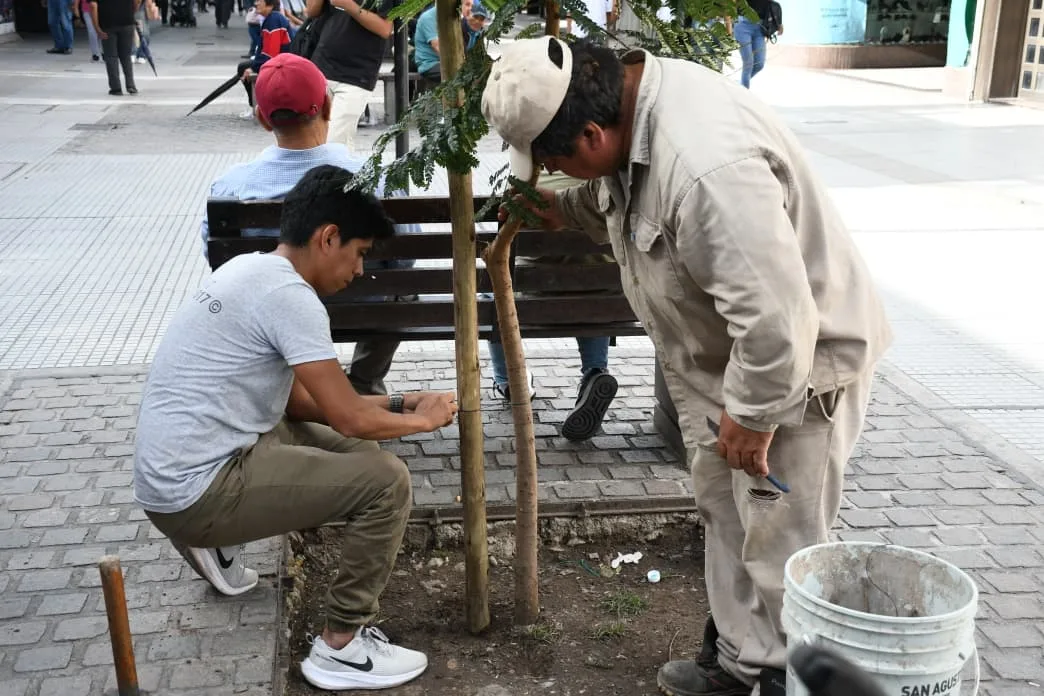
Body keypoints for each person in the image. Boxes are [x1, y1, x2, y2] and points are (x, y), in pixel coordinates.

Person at [481, 37, 891, 696]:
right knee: (727, 515)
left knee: (781, 543)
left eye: (554, 161)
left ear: (590, 134)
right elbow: (618, 194)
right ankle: (741, 661)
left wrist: (753, 418)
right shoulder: (628, 105)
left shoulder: (706, 169)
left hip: (793, 378)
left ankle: (795, 679)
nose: (552, 170)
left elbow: (777, 322)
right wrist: (561, 209)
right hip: (726, 371)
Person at [136, 161, 452, 691]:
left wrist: (400, 402)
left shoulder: (249, 269)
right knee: (388, 483)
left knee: (363, 458)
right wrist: (424, 421)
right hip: (196, 491)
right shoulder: (292, 299)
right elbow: (349, 416)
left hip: (184, 468)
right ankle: (341, 648)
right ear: (328, 238)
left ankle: (219, 543)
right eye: (359, 253)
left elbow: (304, 405)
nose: (360, 270)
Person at [201, 53, 407, 397]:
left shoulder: (230, 187)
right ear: (327, 106)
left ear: (263, 118)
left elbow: (220, 265)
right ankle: (363, 381)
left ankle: (291, 392)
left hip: (273, 312)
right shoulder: (377, 177)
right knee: (405, 290)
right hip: (364, 303)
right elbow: (405, 259)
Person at [305, 0, 395, 151]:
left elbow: (385, 28)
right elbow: (312, 11)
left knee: (335, 143)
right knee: (313, 140)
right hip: (322, 65)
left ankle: (338, 166)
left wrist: (348, 5)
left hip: (356, 74)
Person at [235, 0, 292, 118]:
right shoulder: (272, 18)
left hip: (281, 63)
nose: (256, 4)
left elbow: (270, 54)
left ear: (269, 5)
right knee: (244, 66)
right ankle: (256, 106)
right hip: (281, 60)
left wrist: (253, 67)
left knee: (243, 68)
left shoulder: (273, 20)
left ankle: (257, 107)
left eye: (259, 1)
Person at [91, 0, 138, 96]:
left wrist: (97, 28)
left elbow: (93, 5)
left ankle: (116, 88)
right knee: (126, 56)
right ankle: (131, 85)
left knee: (111, 57)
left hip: (108, 23)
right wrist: (130, 12)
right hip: (127, 21)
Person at [731, 0, 782, 88]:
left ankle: (740, 84)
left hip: (760, 27)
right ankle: (744, 91)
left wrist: (778, 22)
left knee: (759, 64)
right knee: (748, 63)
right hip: (743, 23)